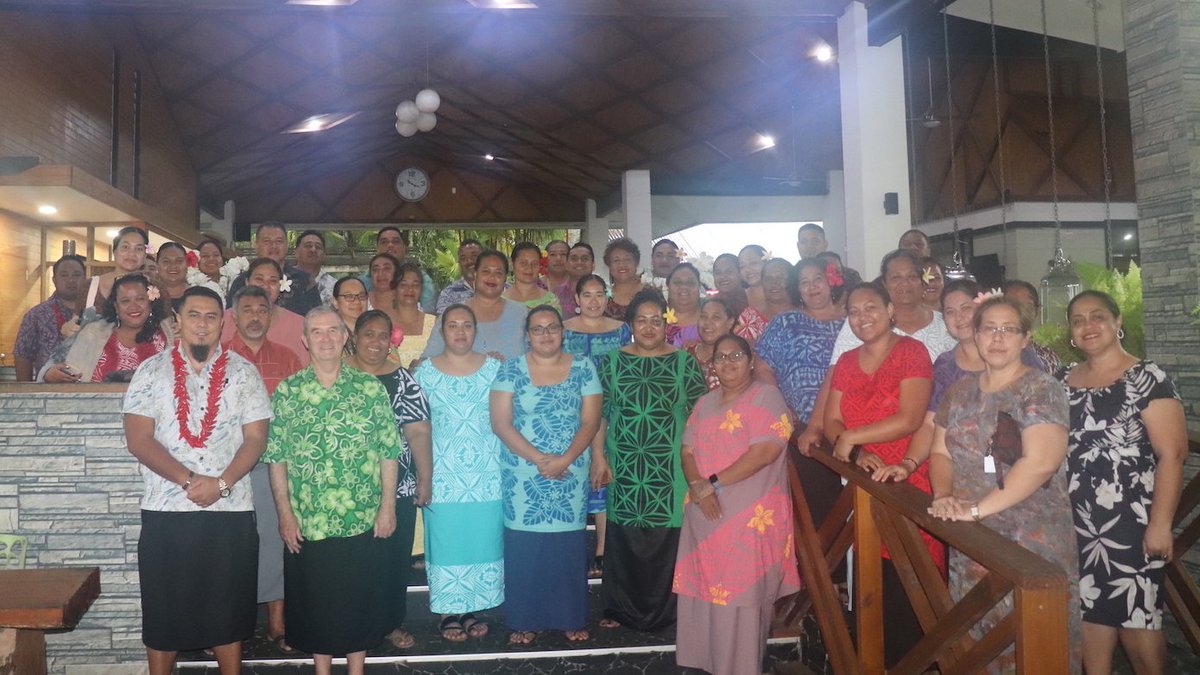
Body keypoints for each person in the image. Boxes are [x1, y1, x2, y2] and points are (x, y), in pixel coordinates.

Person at [123, 286, 272, 675]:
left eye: (210, 317)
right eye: (194, 316)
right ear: (178, 321)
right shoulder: (149, 372)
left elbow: (256, 439)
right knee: (163, 608)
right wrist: (190, 480)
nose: (202, 325)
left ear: (223, 323)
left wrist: (221, 483)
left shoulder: (244, 373)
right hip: (166, 507)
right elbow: (138, 439)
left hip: (231, 509)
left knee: (228, 608)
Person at [927, 297, 1080, 673]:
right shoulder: (958, 392)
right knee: (976, 644)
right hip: (973, 541)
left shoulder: (1041, 389)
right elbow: (940, 452)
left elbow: (1041, 463)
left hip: (1030, 538)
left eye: (1008, 329)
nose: (997, 337)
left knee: (1036, 647)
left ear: (1025, 338)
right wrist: (943, 495)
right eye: (988, 328)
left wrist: (976, 509)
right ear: (975, 336)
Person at [264, 307, 403, 675]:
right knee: (316, 604)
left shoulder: (370, 389)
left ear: (345, 338)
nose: (325, 338)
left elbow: (389, 450)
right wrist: (285, 514)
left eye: (333, 331)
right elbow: (276, 458)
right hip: (308, 519)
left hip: (360, 516)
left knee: (358, 601)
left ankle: (357, 670)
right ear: (305, 340)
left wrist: (387, 506)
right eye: (316, 332)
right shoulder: (289, 392)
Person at [1059, 290, 1187, 675]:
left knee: (1137, 618)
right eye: (1078, 320)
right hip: (1076, 518)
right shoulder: (1061, 381)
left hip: (1131, 519)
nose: (1088, 326)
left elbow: (1173, 455)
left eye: (1098, 316)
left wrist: (1161, 525)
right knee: (1090, 616)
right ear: (1070, 334)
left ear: (1118, 324)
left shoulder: (1146, 377)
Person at [825, 281, 937, 668]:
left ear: (890, 310)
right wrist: (857, 451)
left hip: (909, 479)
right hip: (864, 483)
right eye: (854, 312)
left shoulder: (911, 351)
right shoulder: (846, 362)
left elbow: (911, 419)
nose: (862, 317)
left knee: (917, 585)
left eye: (870, 307)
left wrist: (854, 437)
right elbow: (831, 422)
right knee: (875, 584)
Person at [674, 334, 800, 675]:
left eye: (736, 355)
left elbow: (765, 452)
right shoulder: (705, 403)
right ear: (711, 364)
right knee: (705, 593)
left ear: (750, 359)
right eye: (721, 357)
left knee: (742, 599)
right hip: (704, 515)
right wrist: (699, 488)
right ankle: (707, 663)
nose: (728, 362)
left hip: (749, 518)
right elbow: (687, 452)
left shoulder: (767, 397)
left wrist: (711, 484)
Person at [490, 305, 603, 644]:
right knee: (526, 547)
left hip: (571, 470)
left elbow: (590, 420)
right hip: (523, 474)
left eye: (552, 327)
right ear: (527, 335)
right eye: (538, 329)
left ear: (562, 331)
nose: (546, 334)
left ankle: (570, 615)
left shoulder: (584, 367)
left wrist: (565, 459)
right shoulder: (510, 370)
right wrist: (541, 460)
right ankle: (524, 619)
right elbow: (500, 423)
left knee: (566, 546)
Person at [598, 290, 707, 632]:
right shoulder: (612, 361)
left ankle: (667, 613)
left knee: (667, 539)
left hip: (669, 467)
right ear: (630, 324)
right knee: (624, 536)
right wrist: (597, 457)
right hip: (626, 464)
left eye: (655, 321)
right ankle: (621, 609)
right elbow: (600, 415)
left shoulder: (683, 363)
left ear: (666, 324)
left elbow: (700, 417)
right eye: (641, 320)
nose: (648, 327)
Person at [415, 304, 506, 640]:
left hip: (486, 474)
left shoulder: (495, 369)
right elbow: (417, 427)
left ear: (475, 330)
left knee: (481, 541)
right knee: (447, 543)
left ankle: (475, 607)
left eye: (466, 325)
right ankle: (449, 611)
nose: (459, 331)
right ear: (441, 331)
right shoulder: (424, 373)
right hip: (443, 475)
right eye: (452, 325)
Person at [346, 310, 434, 651]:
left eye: (383, 335)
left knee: (391, 560)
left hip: (397, 487)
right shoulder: (337, 376)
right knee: (351, 560)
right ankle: (352, 622)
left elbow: (420, 433)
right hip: (343, 490)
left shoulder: (403, 381)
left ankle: (389, 623)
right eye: (368, 333)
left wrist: (425, 480)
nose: (375, 341)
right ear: (354, 337)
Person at [223, 284, 303, 654]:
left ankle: (276, 623)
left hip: (275, 464)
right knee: (232, 546)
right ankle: (228, 626)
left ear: (271, 316)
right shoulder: (219, 359)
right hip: (230, 467)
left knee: (274, 541)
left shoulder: (288, 358)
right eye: (247, 309)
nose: (255, 316)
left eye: (261, 309)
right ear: (234, 316)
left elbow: (300, 414)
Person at [755, 256, 846, 527]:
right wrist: (783, 408)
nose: (812, 287)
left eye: (817, 279)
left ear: (831, 281)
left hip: (848, 427)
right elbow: (761, 367)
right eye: (804, 282)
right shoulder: (786, 321)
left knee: (853, 513)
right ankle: (822, 570)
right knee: (814, 514)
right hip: (800, 430)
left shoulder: (852, 322)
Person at [562, 274, 629, 578]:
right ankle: (572, 548)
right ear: (576, 300)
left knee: (603, 476)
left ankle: (603, 547)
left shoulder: (621, 331)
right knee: (573, 478)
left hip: (611, 415)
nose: (593, 301)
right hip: (569, 416)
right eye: (586, 295)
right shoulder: (561, 330)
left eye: (599, 294)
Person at [829, 249, 956, 365]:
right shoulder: (864, 320)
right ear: (884, 284)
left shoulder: (945, 325)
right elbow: (837, 371)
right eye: (896, 277)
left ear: (922, 282)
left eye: (912, 276)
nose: (905, 283)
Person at [40, 273, 170, 383]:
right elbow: (51, 368)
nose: (133, 306)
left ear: (151, 302)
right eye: (125, 301)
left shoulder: (169, 334)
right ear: (116, 306)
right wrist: (50, 374)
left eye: (140, 299)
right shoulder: (93, 333)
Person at [424, 249, 528, 361]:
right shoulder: (452, 315)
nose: (492, 277)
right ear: (475, 274)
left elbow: (536, 356)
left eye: (498, 273)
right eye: (486, 271)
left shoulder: (521, 313)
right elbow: (429, 358)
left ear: (505, 279)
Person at [219, 258, 308, 366]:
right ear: (247, 282)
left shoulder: (299, 325)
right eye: (259, 279)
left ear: (280, 286)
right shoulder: (223, 321)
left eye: (273, 281)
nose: (265, 286)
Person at [14, 254, 86, 381]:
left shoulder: (97, 313)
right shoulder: (37, 315)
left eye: (76, 275)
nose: (71, 280)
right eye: (64, 275)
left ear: (85, 278)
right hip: (48, 391)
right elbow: (23, 355)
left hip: (91, 390)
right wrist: (26, 393)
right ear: (54, 280)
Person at [225, 222, 318, 316]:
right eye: (267, 241)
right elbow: (231, 320)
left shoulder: (305, 281)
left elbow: (316, 319)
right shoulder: (241, 281)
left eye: (279, 241)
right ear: (256, 245)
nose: (274, 246)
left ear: (287, 245)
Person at [367, 227, 437, 312]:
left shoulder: (420, 278)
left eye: (395, 241)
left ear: (404, 248)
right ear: (377, 248)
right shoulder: (364, 280)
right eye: (384, 242)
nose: (390, 245)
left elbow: (429, 312)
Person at [1003, 279, 1062, 373]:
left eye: (1027, 306)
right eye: (1013, 304)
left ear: (1037, 310)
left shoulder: (1047, 357)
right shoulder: (991, 350)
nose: (1020, 311)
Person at [86, 226, 149, 316]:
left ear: (145, 256)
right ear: (114, 251)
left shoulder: (156, 288)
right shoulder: (90, 286)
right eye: (125, 247)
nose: (131, 253)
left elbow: (166, 325)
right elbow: (76, 322)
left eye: (139, 249)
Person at [682, 297, 737, 391]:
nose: (707, 322)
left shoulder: (736, 358)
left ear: (730, 322)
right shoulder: (686, 353)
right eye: (703, 316)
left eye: (716, 317)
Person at [710, 253, 768, 343]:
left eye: (729, 272)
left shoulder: (752, 299)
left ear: (740, 273)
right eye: (718, 273)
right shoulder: (710, 305)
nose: (723, 277)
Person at [392, 261, 438, 369]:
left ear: (421, 289)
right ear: (394, 289)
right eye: (403, 285)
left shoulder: (435, 323)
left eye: (415, 285)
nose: (410, 290)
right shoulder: (384, 323)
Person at [504, 242, 560, 309]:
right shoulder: (498, 301)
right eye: (523, 263)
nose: (529, 268)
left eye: (534, 263)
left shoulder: (551, 301)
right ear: (512, 264)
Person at [603, 238, 649, 320]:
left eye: (627, 260)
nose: (622, 265)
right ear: (609, 265)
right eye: (616, 260)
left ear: (636, 263)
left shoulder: (651, 292)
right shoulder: (602, 297)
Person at [435, 239, 484, 314]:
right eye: (463, 258)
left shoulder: (503, 289)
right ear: (459, 263)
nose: (469, 261)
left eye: (474, 256)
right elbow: (442, 323)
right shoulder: (448, 294)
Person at [665, 262, 703, 347]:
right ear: (668, 286)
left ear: (699, 287)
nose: (684, 287)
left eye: (690, 283)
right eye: (677, 282)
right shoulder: (655, 317)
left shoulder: (710, 321)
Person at [294, 230, 336, 306]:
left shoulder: (334, 286)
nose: (313, 250)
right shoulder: (282, 280)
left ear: (324, 255)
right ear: (296, 252)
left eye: (318, 247)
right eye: (308, 246)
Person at [554, 242, 595, 316]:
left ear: (593, 265)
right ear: (566, 265)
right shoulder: (555, 295)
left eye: (585, 259)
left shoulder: (605, 293)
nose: (579, 262)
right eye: (574, 259)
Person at [331, 276, 368, 354]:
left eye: (361, 296)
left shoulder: (377, 328)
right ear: (335, 302)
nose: (357, 301)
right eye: (349, 296)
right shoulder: (330, 335)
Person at [760, 257, 798, 322]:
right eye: (768, 279)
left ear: (792, 280)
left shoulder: (808, 315)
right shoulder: (750, 319)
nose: (774, 282)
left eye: (780, 277)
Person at [156, 242, 191, 309]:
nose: (173, 266)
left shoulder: (199, 295)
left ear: (187, 264)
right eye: (166, 261)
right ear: (157, 264)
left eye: (179, 261)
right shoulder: (145, 296)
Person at [738, 245, 768, 315]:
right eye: (742, 266)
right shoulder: (738, 297)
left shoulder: (781, 294)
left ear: (766, 262)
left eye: (753, 263)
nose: (747, 269)